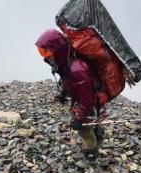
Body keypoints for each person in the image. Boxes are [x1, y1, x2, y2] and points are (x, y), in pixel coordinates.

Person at [36, 29, 106, 160]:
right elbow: (69, 82)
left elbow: (88, 100)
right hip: (86, 101)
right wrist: (63, 94)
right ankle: (98, 131)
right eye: (43, 53)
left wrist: (79, 119)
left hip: (90, 103)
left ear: (58, 50)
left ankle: (91, 153)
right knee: (90, 122)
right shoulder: (66, 63)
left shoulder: (77, 69)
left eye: (47, 52)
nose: (46, 57)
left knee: (83, 130)